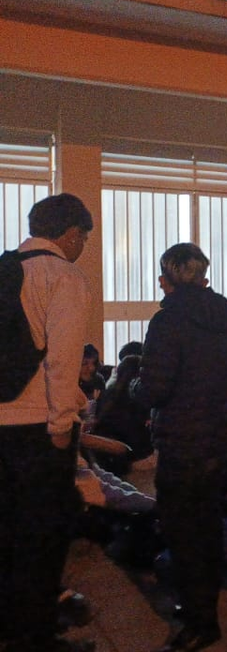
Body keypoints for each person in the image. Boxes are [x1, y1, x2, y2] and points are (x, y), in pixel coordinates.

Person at [131, 242, 227, 652]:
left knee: (182, 532)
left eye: (162, 277)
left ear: (170, 278)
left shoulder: (168, 321)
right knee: (208, 526)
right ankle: (203, 606)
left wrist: (132, 386)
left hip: (182, 441)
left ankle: (199, 621)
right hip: (217, 435)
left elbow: (155, 388)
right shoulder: (225, 317)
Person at [0, 193, 95, 652]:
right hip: (37, 426)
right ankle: (35, 637)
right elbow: (63, 360)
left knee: (6, 530)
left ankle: (8, 625)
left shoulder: (5, 268)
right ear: (72, 234)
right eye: (84, 238)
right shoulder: (62, 275)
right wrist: (61, 425)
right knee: (41, 536)